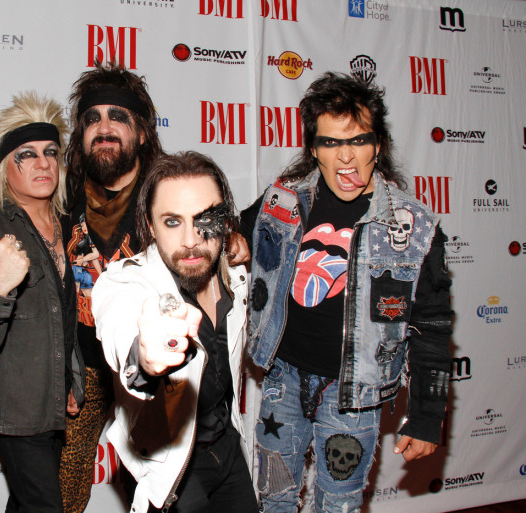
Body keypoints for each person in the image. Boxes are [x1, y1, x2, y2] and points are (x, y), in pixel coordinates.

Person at [240, 71, 452, 512]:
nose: (346, 156)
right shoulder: (283, 201)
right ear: (313, 149)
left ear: (379, 144)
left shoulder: (414, 228)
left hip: (354, 394)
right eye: (330, 142)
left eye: (358, 140)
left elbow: (431, 328)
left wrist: (427, 416)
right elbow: (234, 239)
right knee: (273, 500)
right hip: (283, 380)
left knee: (338, 506)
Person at [92, 152, 258, 513]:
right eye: (172, 222)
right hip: (170, 465)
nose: (191, 239)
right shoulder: (127, 280)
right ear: (150, 226)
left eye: (205, 220)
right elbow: (120, 320)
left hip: (229, 447)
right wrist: (143, 355)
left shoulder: (233, 275)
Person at [0, 92, 85, 513]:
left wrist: (69, 381)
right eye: (27, 155)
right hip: (14, 406)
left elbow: (63, 316)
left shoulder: (69, 226)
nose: (43, 163)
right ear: (3, 168)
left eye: (50, 152)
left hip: (51, 400)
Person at [58, 62, 164, 512]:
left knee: (163, 488)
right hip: (82, 367)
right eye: (92, 118)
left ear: (141, 132)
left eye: (117, 117)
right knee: (57, 491)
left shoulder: (166, 198)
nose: (103, 128)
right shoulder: (57, 199)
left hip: (154, 369)